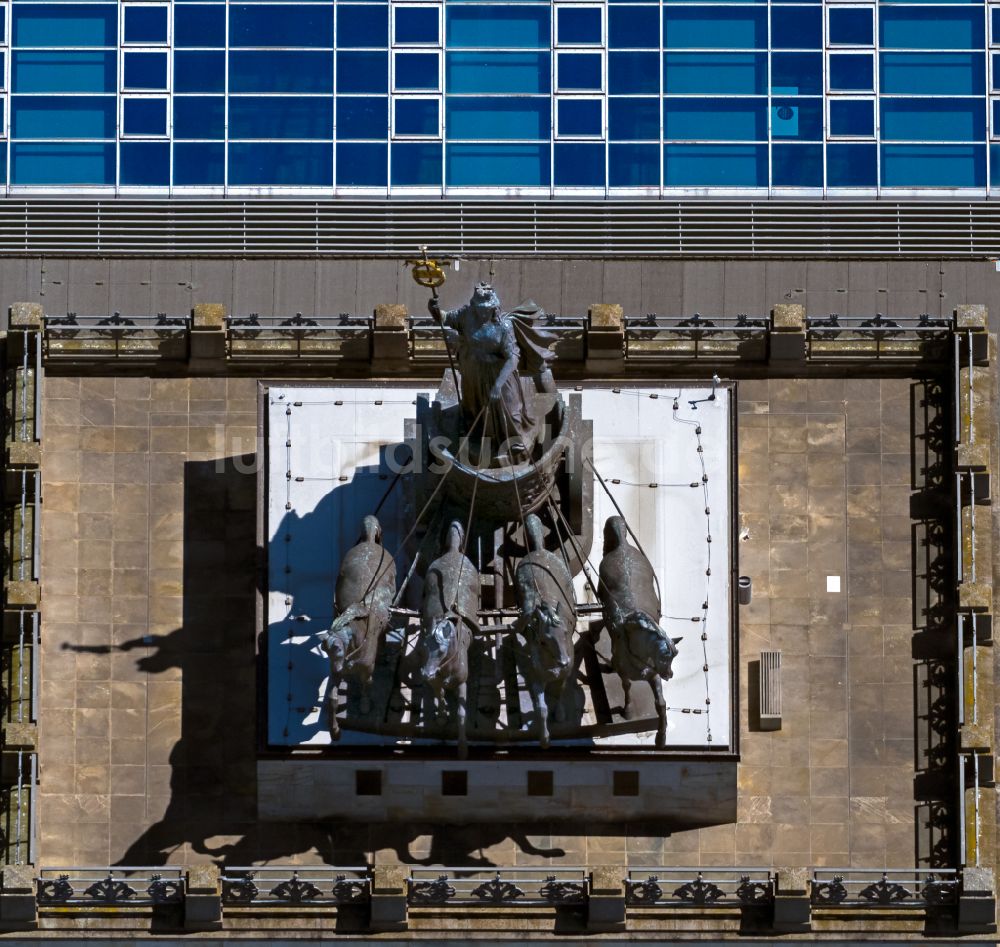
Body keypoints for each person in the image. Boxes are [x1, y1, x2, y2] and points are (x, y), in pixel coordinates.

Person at [429, 282, 538, 458]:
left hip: (499, 371)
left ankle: (513, 440)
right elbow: (445, 318)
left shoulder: (503, 326)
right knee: (474, 406)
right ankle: (478, 437)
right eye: (479, 308)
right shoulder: (466, 315)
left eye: (486, 308)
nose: (483, 312)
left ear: (494, 307)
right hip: (474, 370)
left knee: (509, 406)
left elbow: (512, 358)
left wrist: (498, 385)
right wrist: (433, 309)